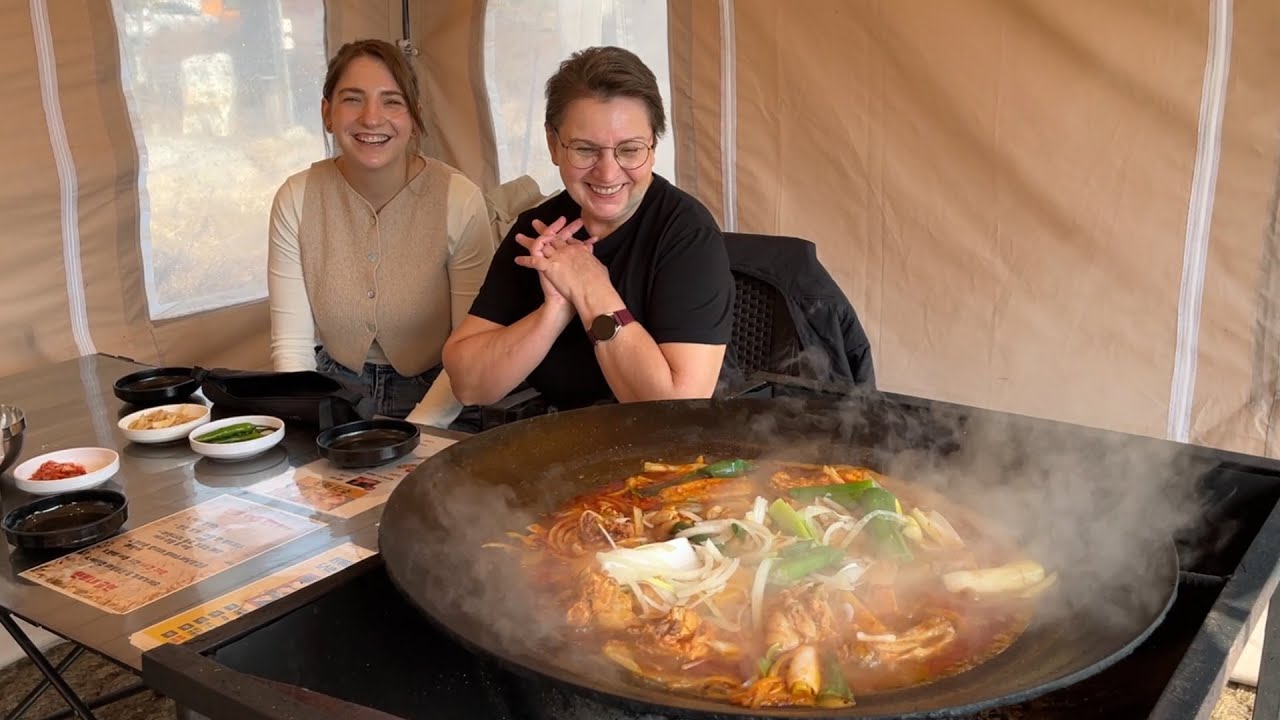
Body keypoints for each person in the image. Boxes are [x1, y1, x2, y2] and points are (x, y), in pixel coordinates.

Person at [443, 46, 733, 411]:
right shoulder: (540, 229)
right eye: (585, 150)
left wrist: (592, 289)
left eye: (629, 150)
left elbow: (676, 411)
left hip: (670, 455)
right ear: (554, 144)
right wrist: (555, 310)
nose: (608, 172)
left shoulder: (688, 238)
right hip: (565, 445)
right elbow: (469, 386)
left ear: (654, 146)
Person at [268, 39, 493, 426]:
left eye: (393, 101)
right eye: (352, 99)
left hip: (442, 390)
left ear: (415, 118)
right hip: (330, 390)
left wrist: (415, 432)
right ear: (327, 113)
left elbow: (472, 347)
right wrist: (302, 418)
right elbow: (292, 347)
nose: (372, 118)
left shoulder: (458, 199)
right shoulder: (296, 197)